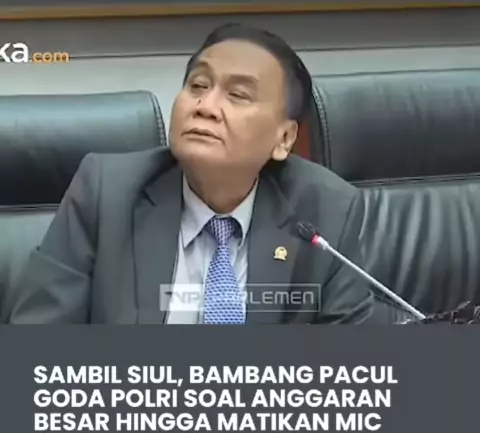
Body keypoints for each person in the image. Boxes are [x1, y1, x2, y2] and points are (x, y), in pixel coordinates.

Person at [7, 23, 378, 324]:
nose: (206, 106)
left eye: (238, 95)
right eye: (198, 85)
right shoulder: (106, 192)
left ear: (284, 138)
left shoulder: (326, 211)